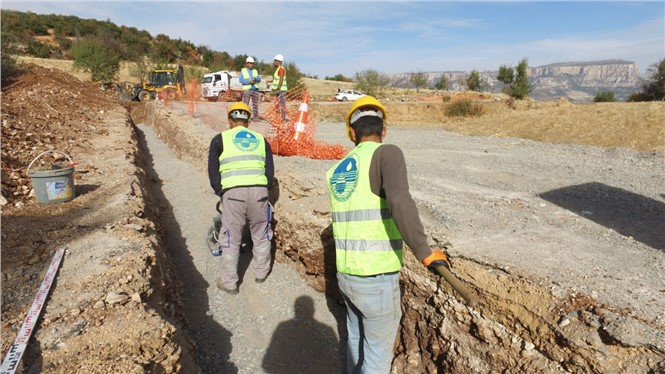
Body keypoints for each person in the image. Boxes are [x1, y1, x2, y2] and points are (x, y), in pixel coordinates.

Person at [326, 96, 450, 373]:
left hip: (346, 274)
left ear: (351, 132)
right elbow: (400, 201)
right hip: (376, 276)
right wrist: (425, 252)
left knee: (356, 341)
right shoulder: (387, 153)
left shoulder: (336, 169)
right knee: (377, 356)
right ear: (383, 131)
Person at [207, 102, 275, 295]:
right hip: (259, 192)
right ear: (248, 121)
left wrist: (220, 190)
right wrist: (265, 187)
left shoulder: (220, 139)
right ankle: (261, 273)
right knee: (261, 234)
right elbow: (270, 170)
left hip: (233, 193)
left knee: (230, 237)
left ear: (230, 120)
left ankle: (229, 283)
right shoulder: (261, 140)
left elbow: (212, 169)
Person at [271, 54, 288, 120]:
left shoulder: (281, 69)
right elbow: (277, 79)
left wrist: (278, 88)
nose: (274, 62)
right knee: (277, 104)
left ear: (278, 61)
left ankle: (283, 118)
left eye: (275, 61)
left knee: (282, 103)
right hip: (279, 89)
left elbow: (281, 79)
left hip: (281, 90)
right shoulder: (278, 69)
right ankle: (278, 117)